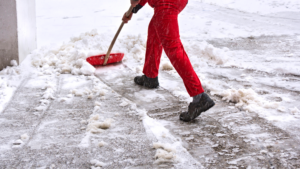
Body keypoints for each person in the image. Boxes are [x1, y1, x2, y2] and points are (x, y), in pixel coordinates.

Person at [122, 0, 215, 122]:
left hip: (167, 3)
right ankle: (150, 76)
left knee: (173, 49)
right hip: (167, 2)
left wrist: (135, 2)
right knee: (155, 30)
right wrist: (134, 9)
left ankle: (199, 97)